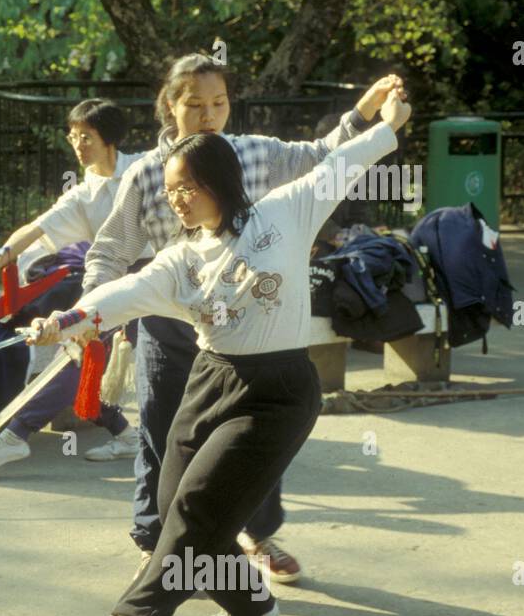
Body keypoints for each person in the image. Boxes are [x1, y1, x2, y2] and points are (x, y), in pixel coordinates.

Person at [27, 92, 412, 616]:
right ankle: (253, 608)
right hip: (212, 381)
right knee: (170, 502)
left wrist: (386, 128)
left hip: (279, 390)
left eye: (187, 187)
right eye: (170, 190)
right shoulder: (180, 260)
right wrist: (65, 323)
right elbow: (119, 296)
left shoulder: (286, 211)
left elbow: (342, 163)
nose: (176, 200)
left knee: (198, 511)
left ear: (219, 181)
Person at [85, 54, 406, 584]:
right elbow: (110, 251)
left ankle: (256, 535)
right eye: (195, 105)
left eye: (219, 103)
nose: (209, 115)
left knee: (254, 438)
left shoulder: (253, 153)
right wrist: (91, 313)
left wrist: (363, 114)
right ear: (169, 105)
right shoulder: (146, 173)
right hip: (171, 323)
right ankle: (155, 543)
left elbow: (321, 157)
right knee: (163, 437)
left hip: (247, 327)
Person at [0, 98, 144, 474]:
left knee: (93, 360)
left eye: (86, 136)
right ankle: (121, 433)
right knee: (83, 357)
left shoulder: (144, 171)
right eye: (73, 136)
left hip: (159, 280)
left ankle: (16, 434)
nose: (77, 144)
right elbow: (37, 228)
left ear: (109, 138)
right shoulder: (85, 193)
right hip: (113, 282)